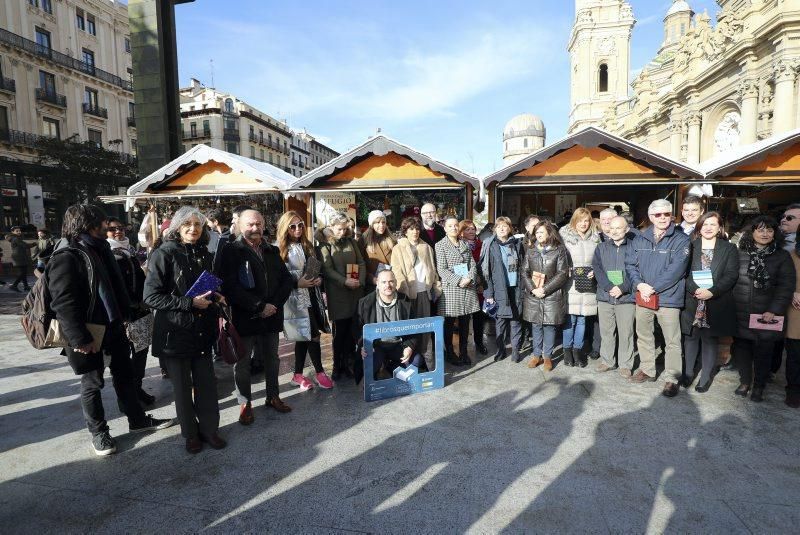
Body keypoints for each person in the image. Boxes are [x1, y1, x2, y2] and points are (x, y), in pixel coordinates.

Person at [48, 204, 173, 456]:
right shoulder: (67, 256)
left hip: (114, 325)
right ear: (89, 224)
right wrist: (79, 339)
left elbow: (115, 288)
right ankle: (99, 433)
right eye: (104, 223)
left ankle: (137, 420)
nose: (108, 227)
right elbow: (63, 302)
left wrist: (126, 315)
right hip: (89, 331)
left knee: (124, 375)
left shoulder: (101, 249)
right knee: (93, 383)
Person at [144, 206, 223, 453]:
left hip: (202, 329)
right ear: (177, 228)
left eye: (198, 224)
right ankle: (190, 434)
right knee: (182, 388)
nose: (193, 229)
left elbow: (207, 287)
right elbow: (151, 296)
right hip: (175, 333)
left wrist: (217, 296)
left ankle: (210, 430)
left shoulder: (205, 252)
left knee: (207, 385)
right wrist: (188, 303)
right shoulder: (164, 253)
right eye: (187, 224)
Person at [222, 209, 293, 424]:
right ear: (240, 225)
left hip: (271, 317)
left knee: (272, 360)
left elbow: (286, 280)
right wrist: (258, 306)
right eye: (250, 224)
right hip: (245, 319)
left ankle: (273, 396)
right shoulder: (231, 251)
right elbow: (230, 286)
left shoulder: (271, 250)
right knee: (242, 364)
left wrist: (273, 305)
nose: (255, 229)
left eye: (259, 224)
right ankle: (245, 403)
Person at [626, 199, 690, 397]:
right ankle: (647, 369)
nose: (662, 218)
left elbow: (676, 270)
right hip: (644, 295)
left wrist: (652, 288)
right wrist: (640, 285)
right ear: (650, 216)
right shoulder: (640, 239)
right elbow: (630, 265)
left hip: (668, 297)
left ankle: (671, 378)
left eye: (666, 214)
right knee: (644, 334)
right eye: (657, 215)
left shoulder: (681, 240)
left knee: (672, 340)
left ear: (671, 215)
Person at [732, 215, 795, 402]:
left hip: (766, 314)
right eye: (760, 229)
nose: (765, 233)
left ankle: (759, 386)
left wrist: (774, 310)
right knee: (741, 349)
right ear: (752, 232)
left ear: (775, 233)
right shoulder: (740, 252)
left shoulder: (781, 255)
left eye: (769, 230)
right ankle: (745, 381)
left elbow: (786, 286)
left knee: (764, 352)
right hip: (740, 310)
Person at [680, 212, 740, 392]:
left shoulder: (728, 249)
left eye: (713, 224)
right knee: (690, 337)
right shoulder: (690, 245)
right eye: (704, 224)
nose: (708, 228)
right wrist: (694, 289)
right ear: (699, 227)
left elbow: (731, 275)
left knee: (709, 339)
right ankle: (688, 373)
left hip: (716, 300)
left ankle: (705, 377)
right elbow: (683, 271)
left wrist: (711, 292)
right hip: (693, 299)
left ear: (719, 227)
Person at [276, 211, 334, 391]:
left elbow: (317, 268)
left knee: (304, 337)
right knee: (311, 335)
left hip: (311, 297)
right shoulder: (277, 249)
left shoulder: (308, 245)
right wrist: (296, 282)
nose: (298, 229)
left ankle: (298, 375)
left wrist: (318, 279)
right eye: (292, 226)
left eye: (300, 225)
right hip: (293, 300)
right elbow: (277, 278)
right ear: (285, 228)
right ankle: (319, 372)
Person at [106, 217, 154, 406]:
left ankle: (136, 388)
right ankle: (127, 396)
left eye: (121, 228)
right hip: (123, 314)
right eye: (112, 229)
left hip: (139, 310)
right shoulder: (107, 253)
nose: (118, 231)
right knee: (124, 357)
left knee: (141, 351)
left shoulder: (129, 250)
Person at [320, 212, 366, 380]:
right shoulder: (325, 245)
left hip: (354, 291)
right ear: (331, 227)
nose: (342, 232)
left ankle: (349, 363)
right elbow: (327, 269)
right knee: (339, 332)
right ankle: (337, 365)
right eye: (339, 229)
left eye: (345, 229)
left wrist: (359, 281)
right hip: (338, 293)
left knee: (352, 330)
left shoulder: (351, 241)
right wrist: (344, 281)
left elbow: (361, 262)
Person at [391, 216, 440, 371]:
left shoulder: (426, 247)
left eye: (417, 229)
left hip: (424, 293)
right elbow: (396, 271)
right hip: (407, 295)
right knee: (409, 330)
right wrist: (403, 289)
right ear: (405, 231)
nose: (415, 232)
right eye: (411, 229)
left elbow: (433, 269)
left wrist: (436, 286)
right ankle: (409, 365)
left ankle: (428, 363)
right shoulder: (398, 248)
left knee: (425, 329)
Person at [354, 268, 420, 379]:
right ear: (377, 284)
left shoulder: (405, 300)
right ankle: (378, 368)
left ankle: (390, 366)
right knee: (371, 363)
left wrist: (409, 346)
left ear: (395, 283)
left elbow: (413, 327)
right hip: (377, 345)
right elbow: (357, 328)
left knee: (417, 361)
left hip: (398, 344)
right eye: (384, 282)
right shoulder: (365, 303)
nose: (388, 285)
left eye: (391, 281)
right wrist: (362, 346)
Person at [591, 216, 636, 376]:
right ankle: (607, 361)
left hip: (626, 298)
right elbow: (597, 268)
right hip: (605, 296)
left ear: (627, 229)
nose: (615, 231)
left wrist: (623, 287)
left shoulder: (634, 247)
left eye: (619, 228)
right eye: (612, 227)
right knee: (607, 331)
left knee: (626, 332)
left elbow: (638, 270)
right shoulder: (601, 247)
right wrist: (609, 286)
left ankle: (625, 364)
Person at [521, 221, 569, 371]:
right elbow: (524, 272)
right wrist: (533, 289)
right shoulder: (530, 250)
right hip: (534, 294)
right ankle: (536, 355)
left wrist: (545, 289)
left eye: (541, 232)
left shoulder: (559, 250)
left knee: (549, 326)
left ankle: (547, 356)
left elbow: (562, 273)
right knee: (536, 325)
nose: (538, 235)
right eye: (536, 233)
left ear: (549, 233)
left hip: (551, 294)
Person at [559, 208, 601, 368]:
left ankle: (578, 350)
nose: (583, 224)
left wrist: (595, 271)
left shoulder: (596, 238)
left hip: (588, 282)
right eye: (580, 220)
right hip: (570, 282)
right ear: (574, 221)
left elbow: (600, 260)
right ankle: (567, 350)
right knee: (571, 319)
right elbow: (559, 257)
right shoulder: (564, 237)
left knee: (583, 318)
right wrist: (565, 269)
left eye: (586, 221)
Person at [436, 216, 480, 366]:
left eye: (456, 225)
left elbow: (472, 264)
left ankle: (464, 352)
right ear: (445, 228)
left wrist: (469, 278)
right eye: (450, 226)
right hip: (451, 289)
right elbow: (442, 269)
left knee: (465, 323)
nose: (454, 228)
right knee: (449, 324)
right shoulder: (440, 245)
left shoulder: (464, 244)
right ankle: (450, 352)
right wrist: (459, 280)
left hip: (467, 288)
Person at [481, 216, 525, 362]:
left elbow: (524, 267)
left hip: (516, 287)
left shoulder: (518, 244)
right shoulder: (490, 245)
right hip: (499, 288)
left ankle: (515, 350)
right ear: (495, 229)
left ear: (510, 229)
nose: (501, 229)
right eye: (499, 226)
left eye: (505, 226)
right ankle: (500, 350)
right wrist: (489, 294)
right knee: (500, 322)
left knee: (516, 321)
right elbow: (485, 271)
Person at [460, 219, 488, 355]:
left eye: (473, 229)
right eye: (467, 229)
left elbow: (485, 267)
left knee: (479, 316)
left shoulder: (481, 245)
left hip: (479, 285)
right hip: (464, 285)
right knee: (464, 319)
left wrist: (481, 283)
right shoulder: (458, 246)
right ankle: (463, 347)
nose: (471, 231)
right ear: (461, 232)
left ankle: (479, 342)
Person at [359, 210, 396, 293]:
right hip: (372, 285)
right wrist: (371, 279)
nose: (381, 225)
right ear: (371, 225)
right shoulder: (363, 241)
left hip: (389, 284)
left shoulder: (392, 240)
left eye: (383, 222)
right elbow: (360, 264)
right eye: (377, 222)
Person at [784, 226, 800, 408]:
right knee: (795, 354)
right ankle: (793, 389)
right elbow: (782, 279)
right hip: (795, 311)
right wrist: (792, 292)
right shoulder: (791, 255)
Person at [8, 226, 34, 292]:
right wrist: (35, 244)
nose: (19, 232)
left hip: (20, 257)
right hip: (18, 258)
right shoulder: (15, 238)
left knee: (24, 272)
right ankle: (14, 285)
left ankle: (26, 286)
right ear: (12, 232)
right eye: (17, 231)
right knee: (22, 273)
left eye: (19, 231)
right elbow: (25, 245)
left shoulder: (16, 238)